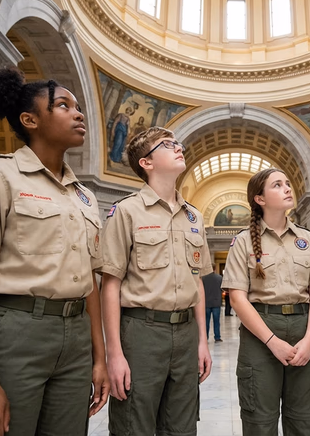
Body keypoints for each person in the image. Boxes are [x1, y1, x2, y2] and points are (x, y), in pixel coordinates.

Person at [0, 68, 109, 435]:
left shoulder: (85, 196)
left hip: (75, 338)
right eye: (63, 105)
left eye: (78, 107)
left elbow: (89, 280)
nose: (79, 114)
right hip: (13, 334)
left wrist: (99, 356)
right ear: (29, 120)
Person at [100, 126, 213, 436]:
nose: (179, 147)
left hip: (187, 334)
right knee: (134, 423)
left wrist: (203, 341)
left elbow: (198, 283)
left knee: (182, 426)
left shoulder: (194, 217)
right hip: (142, 333)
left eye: (177, 142)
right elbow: (110, 284)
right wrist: (115, 353)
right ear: (146, 163)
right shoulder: (126, 211)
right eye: (167, 144)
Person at [223, 168, 310, 436]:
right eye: (277, 185)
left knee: (303, 418)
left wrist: (309, 339)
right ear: (260, 199)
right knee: (260, 420)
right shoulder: (243, 241)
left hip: (302, 329)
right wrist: (272, 341)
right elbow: (237, 297)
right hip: (260, 334)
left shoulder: (307, 239)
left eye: (287, 183)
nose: (287, 188)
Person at [203, 267, 224, 342]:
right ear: (215, 269)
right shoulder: (219, 278)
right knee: (216, 321)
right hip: (216, 302)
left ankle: (205, 337)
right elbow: (223, 289)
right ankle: (217, 337)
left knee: (206, 322)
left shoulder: (203, 278)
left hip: (206, 303)